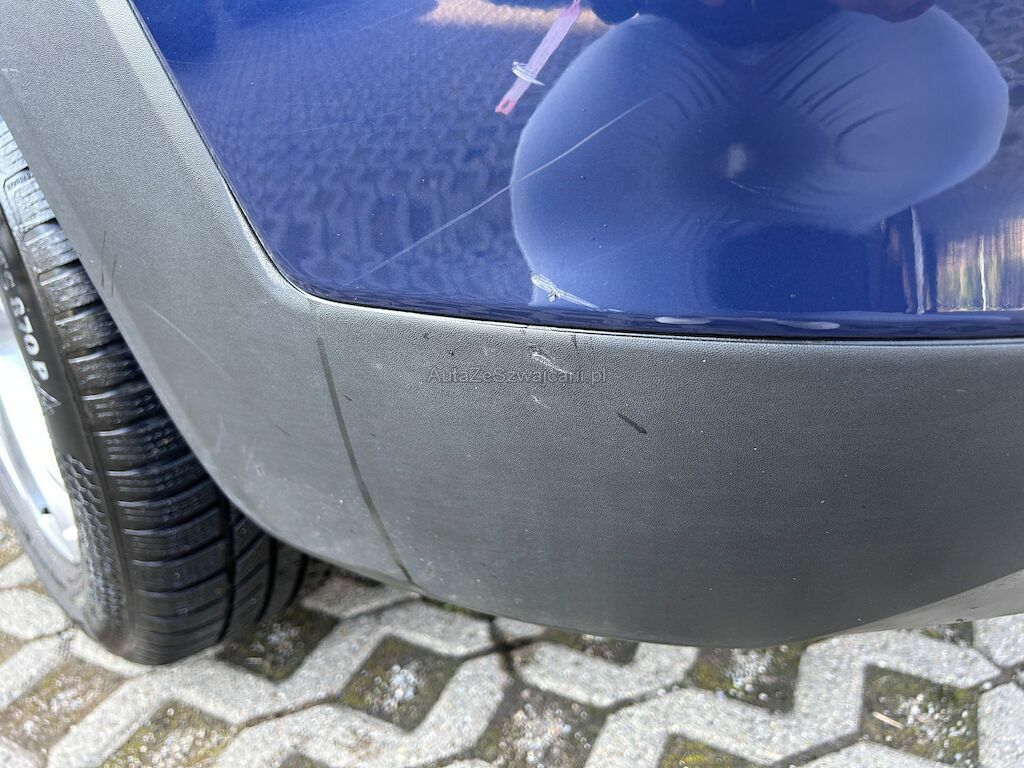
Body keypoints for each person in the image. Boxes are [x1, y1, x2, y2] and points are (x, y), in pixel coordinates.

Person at [510, 0, 1009, 314]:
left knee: (964, 110)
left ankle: (793, 274)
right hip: (669, 34)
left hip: (839, 27)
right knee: (566, 219)